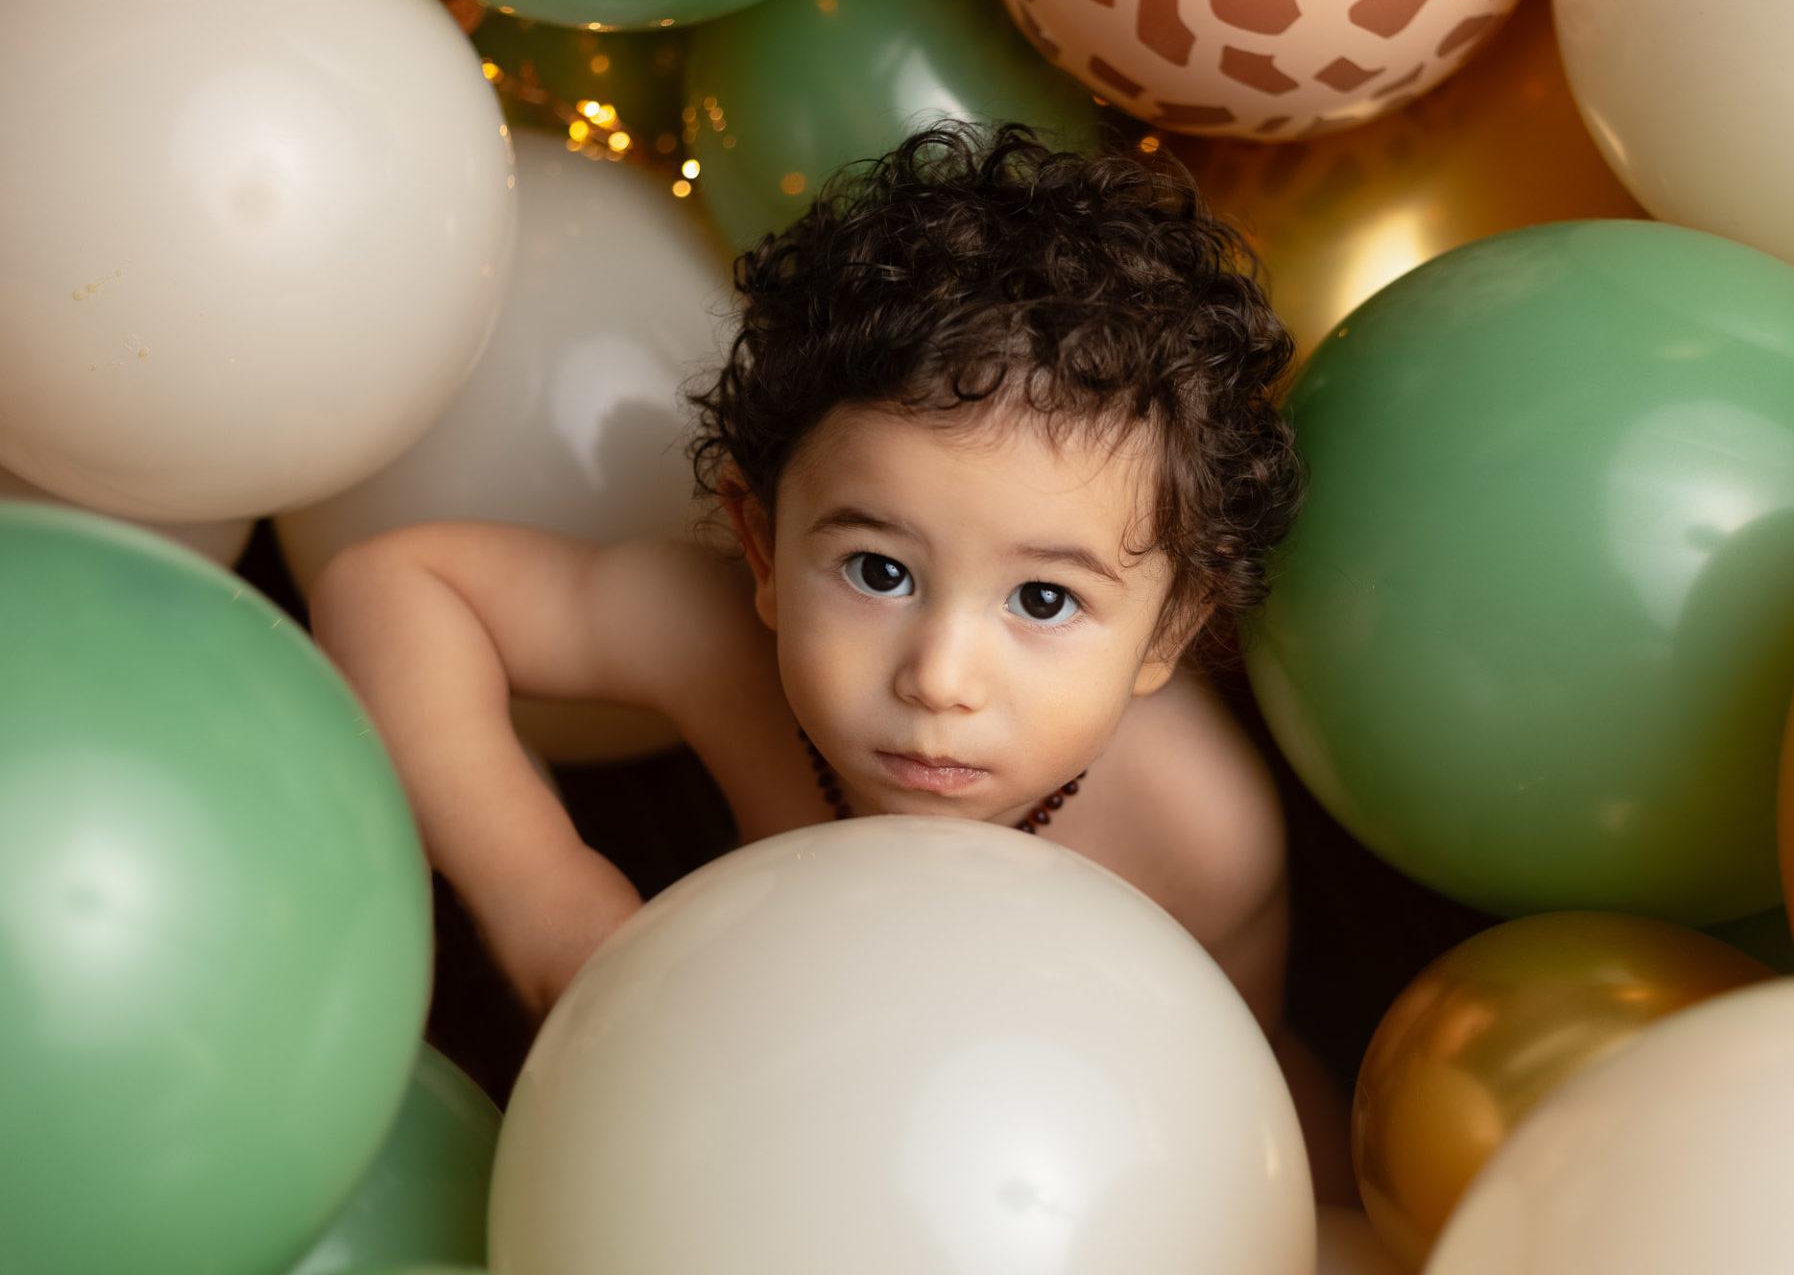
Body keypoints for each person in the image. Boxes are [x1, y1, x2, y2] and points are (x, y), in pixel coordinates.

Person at [311, 121, 1342, 1189]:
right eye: (878, 572)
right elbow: (391, 587)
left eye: (1043, 598)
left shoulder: (1194, 830)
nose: (939, 677)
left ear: (1167, 632)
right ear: (761, 546)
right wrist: (542, 887)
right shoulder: (721, 641)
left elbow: (1212, 1084)